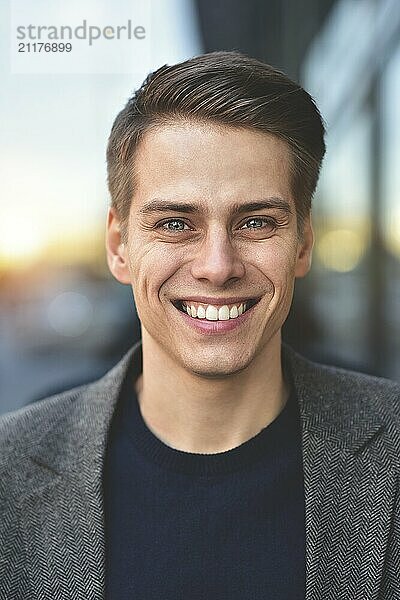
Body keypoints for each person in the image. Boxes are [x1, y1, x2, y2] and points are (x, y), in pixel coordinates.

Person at [0, 51, 399, 600]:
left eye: (256, 222)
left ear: (303, 242)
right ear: (119, 246)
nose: (217, 265)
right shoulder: (10, 470)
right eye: (175, 223)